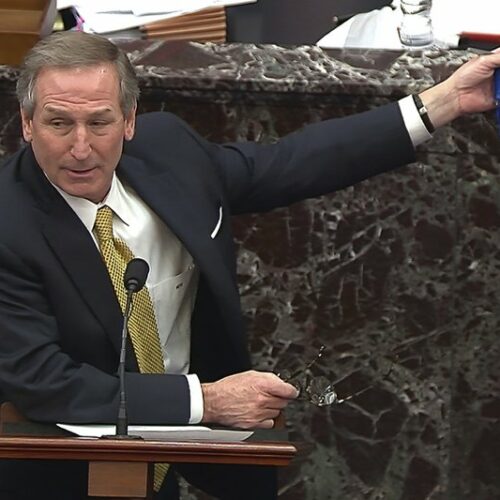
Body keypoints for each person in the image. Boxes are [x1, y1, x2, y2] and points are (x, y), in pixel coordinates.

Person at [0, 30, 498, 499]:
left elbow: (288, 163)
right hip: (59, 467)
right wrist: (207, 402)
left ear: (129, 120)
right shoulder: (8, 223)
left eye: (100, 122)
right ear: (27, 124)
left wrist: (445, 101)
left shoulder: (169, 150)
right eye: (58, 123)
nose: (80, 147)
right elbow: (45, 382)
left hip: (174, 456)